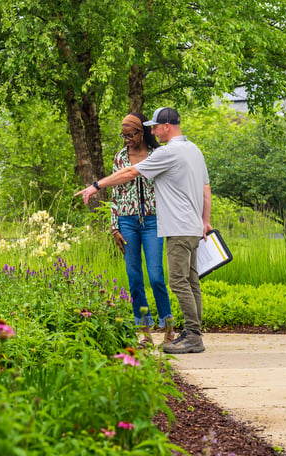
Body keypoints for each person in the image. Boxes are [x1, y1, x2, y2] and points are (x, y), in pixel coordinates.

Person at [75, 107, 212, 354]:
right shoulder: (193, 150)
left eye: (155, 127)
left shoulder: (164, 153)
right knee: (148, 279)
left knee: (168, 279)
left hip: (160, 222)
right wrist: (205, 221)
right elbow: (205, 188)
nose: (153, 130)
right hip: (147, 222)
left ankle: (186, 333)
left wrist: (95, 186)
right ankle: (152, 330)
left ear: (165, 127)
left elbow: (130, 174)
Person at [111, 112, 174, 347]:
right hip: (127, 222)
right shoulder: (120, 158)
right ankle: (144, 330)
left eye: (131, 135)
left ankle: (168, 328)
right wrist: (114, 227)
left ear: (142, 132)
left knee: (157, 275)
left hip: (152, 221)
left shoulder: (157, 154)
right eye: (124, 135)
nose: (127, 139)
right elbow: (115, 193)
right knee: (134, 277)